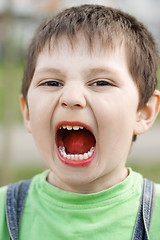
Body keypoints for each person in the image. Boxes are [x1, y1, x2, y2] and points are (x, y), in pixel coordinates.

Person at [0, 4, 160, 240]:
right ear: (28, 113)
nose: (72, 98)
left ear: (144, 112)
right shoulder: (4, 213)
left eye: (101, 83)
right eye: (52, 82)